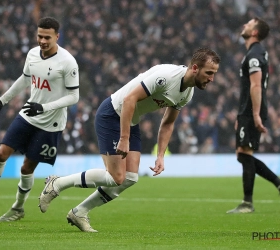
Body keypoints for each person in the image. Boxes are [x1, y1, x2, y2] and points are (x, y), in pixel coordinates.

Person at [38, 47, 221, 232]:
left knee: (130, 178)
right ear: (195, 68)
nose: (212, 78)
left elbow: (167, 123)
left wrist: (160, 156)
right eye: (209, 73)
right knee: (116, 177)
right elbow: (129, 99)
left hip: (130, 120)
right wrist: (124, 138)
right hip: (111, 114)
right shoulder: (167, 76)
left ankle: (79, 212)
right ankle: (57, 183)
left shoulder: (187, 92)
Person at [0, 17, 79, 221]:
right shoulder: (32, 54)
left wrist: (45, 107)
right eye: (39, 36)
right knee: (1, 153)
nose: (42, 41)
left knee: (26, 167)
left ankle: (18, 208)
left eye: (47, 37)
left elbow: (74, 96)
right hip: (29, 113)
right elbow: (25, 79)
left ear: (57, 36)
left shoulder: (67, 62)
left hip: (51, 122)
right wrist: (1, 102)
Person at [226, 17, 280, 214]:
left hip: (251, 110)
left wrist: (254, 115)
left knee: (245, 154)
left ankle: (248, 203)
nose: (244, 24)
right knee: (242, 154)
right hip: (247, 111)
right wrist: (241, 116)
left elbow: (256, 85)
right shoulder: (255, 53)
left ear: (254, 32)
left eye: (250, 23)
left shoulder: (255, 54)